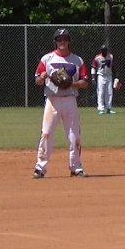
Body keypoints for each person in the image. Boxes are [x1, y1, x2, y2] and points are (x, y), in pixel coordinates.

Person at [33, 28, 89, 178]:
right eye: (59, 39)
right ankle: (40, 168)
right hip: (52, 100)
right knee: (46, 133)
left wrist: (71, 84)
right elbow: (37, 81)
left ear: (69, 42)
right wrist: (42, 77)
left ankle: (75, 167)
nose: (62, 42)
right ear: (55, 42)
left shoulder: (77, 60)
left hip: (70, 99)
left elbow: (85, 82)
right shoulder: (47, 59)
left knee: (74, 135)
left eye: (65, 39)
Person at [93, 44, 117, 114]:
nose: (104, 52)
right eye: (103, 50)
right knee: (101, 92)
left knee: (109, 92)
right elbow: (93, 67)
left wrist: (115, 76)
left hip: (109, 75)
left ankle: (109, 108)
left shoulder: (111, 56)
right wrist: (93, 78)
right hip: (101, 75)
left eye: (105, 50)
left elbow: (113, 67)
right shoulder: (97, 57)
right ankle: (101, 108)